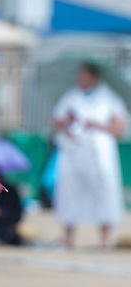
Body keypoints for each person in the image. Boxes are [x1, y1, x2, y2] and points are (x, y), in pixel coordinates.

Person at [51, 62, 127, 249]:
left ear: (94, 77)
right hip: (73, 151)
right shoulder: (70, 97)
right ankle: (68, 236)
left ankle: (104, 239)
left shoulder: (109, 98)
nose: (81, 80)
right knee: (70, 191)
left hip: (99, 152)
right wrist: (67, 122)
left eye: (85, 76)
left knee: (104, 191)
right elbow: (56, 122)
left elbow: (119, 128)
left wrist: (97, 125)